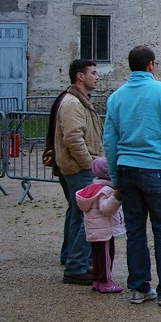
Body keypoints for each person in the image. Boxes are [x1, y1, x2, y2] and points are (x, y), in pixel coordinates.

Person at [104, 45, 161, 306]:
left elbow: (109, 140)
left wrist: (114, 174)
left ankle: (139, 287)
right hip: (155, 168)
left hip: (126, 169)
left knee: (135, 231)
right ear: (151, 65)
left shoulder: (116, 97)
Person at [56, 59, 103, 285]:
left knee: (77, 214)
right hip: (79, 169)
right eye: (93, 73)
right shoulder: (73, 103)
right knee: (89, 215)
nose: (97, 76)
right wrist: (89, 164)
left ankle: (71, 257)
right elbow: (74, 138)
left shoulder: (79, 101)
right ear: (80, 76)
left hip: (78, 167)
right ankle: (76, 265)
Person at [75, 157, 125, 293]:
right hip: (105, 230)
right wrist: (117, 197)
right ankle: (106, 282)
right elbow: (106, 209)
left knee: (96, 256)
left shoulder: (92, 188)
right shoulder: (106, 190)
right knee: (106, 256)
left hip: (94, 230)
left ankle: (96, 280)